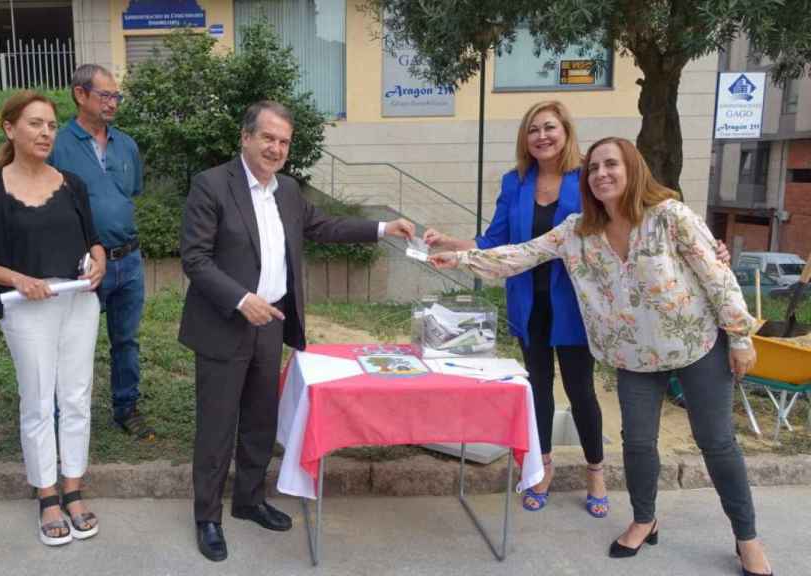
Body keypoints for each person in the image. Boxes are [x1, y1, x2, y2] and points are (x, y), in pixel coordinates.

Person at [430, 137, 773, 576]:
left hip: (697, 344)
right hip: (633, 356)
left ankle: (747, 538)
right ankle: (645, 520)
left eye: (611, 164)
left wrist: (741, 336)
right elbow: (519, 256)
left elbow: (716, 275)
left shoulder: (669, 216)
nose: (601, 174)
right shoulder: (577, 231)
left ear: (633, 169)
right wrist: (462, 259)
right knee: (637, 443)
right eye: (593, 168)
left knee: (717, 443)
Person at [179, 100, 415, 562]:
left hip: (271, 324)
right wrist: (241, 299)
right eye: (268, 138)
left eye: (284, 142)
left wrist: (385, 226)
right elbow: (195, 259)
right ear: (245, 137)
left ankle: (248, 500)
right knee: (217, 426)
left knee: (261, 421)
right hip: (225, 324)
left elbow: (325, 226)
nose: (276, 148)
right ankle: (207, 517)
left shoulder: (286, 190)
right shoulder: (211, 185)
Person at [424, 100, 607, 515]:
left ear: (565, 131)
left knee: (581, 391)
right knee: (536, 389)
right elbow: (495, 242)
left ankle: (596, 470)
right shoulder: (516, 182)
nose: (541, 136)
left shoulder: (587, 179)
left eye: (549, 128)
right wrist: (451, 244)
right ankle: (542, 467)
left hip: (575, 307)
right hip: (529, 305)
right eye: (533, 130)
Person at [0, 91, 107, 547]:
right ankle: (47, 495)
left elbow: (94, 239)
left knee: (78, 397)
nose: (46, 132)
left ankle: (74, 487)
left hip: (77, 301)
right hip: (26, 309)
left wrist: (99, 260)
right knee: (39, 401)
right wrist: (19, 279)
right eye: (35, 124)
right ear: (10, 129)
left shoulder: (72, 183)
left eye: (51, 125)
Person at [49, 64, 153, 438]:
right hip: (83, 265)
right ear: (80, 94)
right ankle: (66, 417)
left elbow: (130, 195)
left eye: (116, 96)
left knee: (126, 340)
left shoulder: (126, 145)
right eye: (105, 95)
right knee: (73, 345)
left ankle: (127, 408)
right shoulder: (57, 144)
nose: (113, 103)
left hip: (129, 260)